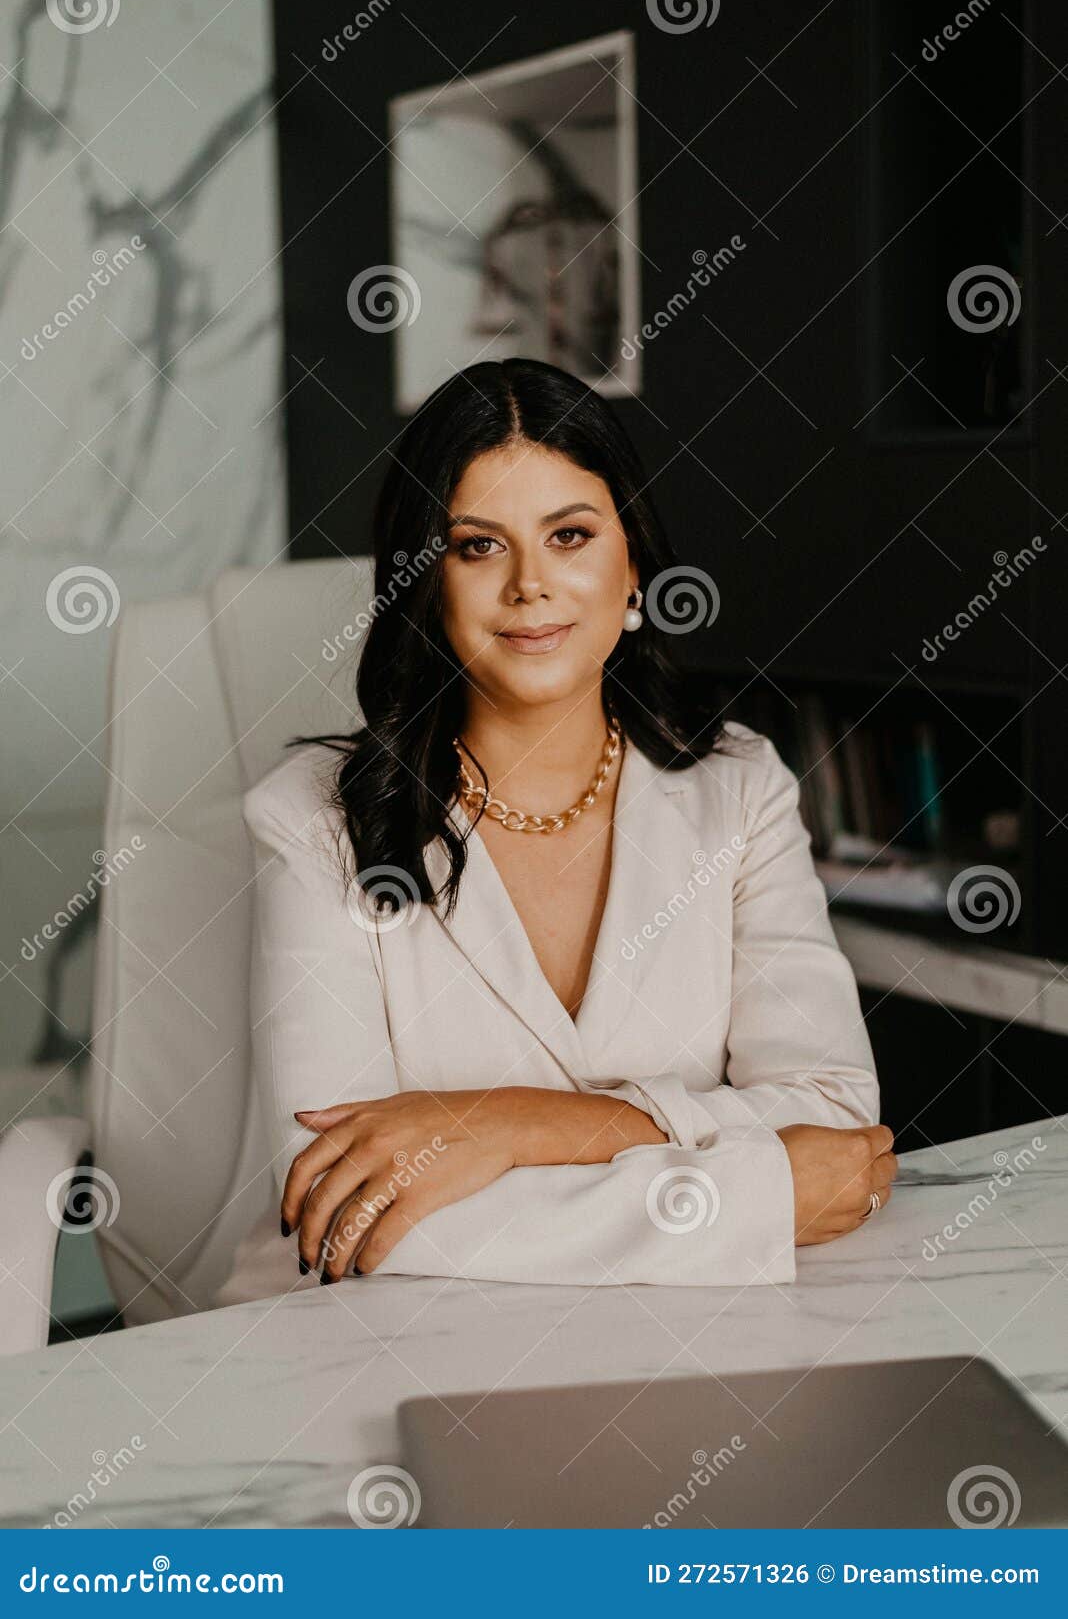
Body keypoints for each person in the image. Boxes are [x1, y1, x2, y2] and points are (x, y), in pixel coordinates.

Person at [213, 357, 895, 1305]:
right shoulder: (312, 819)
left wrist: (507, 1128)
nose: (531, 586)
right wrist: (757, 1190)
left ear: (634, 570)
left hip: (677, 1345)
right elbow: (352, 1206)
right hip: (369, 1347)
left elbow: (834, 1113)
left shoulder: (739, 788)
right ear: (427, 584)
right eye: (477, 547)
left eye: (570, 535)